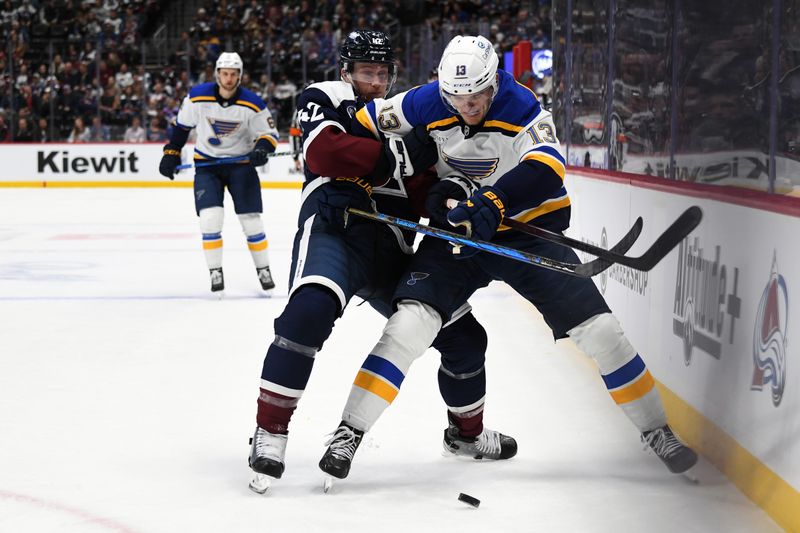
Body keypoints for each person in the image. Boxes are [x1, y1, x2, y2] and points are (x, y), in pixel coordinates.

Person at [320, 35, 698, 477]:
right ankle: (349, 431)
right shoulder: (423, 102)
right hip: (459, 236)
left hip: (528, 232)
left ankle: (657, 430)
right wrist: (428, 184)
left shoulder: (521, 105)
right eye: (456, 97)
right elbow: (359, 123)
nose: (467, 105)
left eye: (478, 94)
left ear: (495, 82)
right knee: (411, 321)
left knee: (602, 331)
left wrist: (496, 200)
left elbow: (548, 165)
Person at [247, 30, 516, 494]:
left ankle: (465, 436)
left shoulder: (407, 117)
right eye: (366, 72)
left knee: (466, 338)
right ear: (346, 72)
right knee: (308, 313)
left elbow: (429, 189)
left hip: (392, 245)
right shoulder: (325, 97)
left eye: (381, 73)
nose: (375, 82)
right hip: (339, 228)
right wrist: (394, 160)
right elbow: (322, 151)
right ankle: (270, 432)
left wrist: (447, 196)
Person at [158, 52, 278, 294]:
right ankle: (215, 272)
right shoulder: (197, 97)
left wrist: (261, 149)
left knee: (251, 222)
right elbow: (181, 128)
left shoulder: (253, 103)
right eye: (225, 73)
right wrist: (171, 153)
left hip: (241, 166)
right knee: (210, 219)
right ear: (217, 74)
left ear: (240, 76)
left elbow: (269, 135)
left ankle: (263, 269)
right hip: (207, 165)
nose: (229, 78)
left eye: (233, 74)